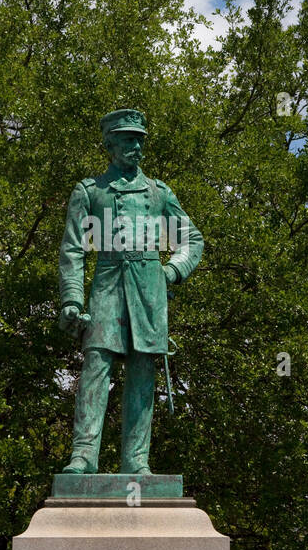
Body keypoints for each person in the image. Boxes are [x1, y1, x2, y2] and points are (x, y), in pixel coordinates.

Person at [58, 109, 203, 474]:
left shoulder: (158, 192)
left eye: (139, 139)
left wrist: (172, 271)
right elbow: (73, 249)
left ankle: (137, 461)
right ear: (110, 144)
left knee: (142, 371)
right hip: (107, 284)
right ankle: (83, 456)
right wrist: (73, 298)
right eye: (127, 139)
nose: (135, 146)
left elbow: (191, 238)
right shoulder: (89, 191)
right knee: (96, 364)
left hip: (149, 288)